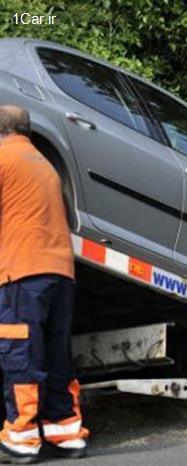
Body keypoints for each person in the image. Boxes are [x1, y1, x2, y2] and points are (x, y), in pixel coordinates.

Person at [0, 105, 88, 463]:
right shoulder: (43, 164)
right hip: (60, 273)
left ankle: (20, 439)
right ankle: (66, 432)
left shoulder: (3, 158)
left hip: (23, 272)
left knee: (20, 355)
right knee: (55, 355)